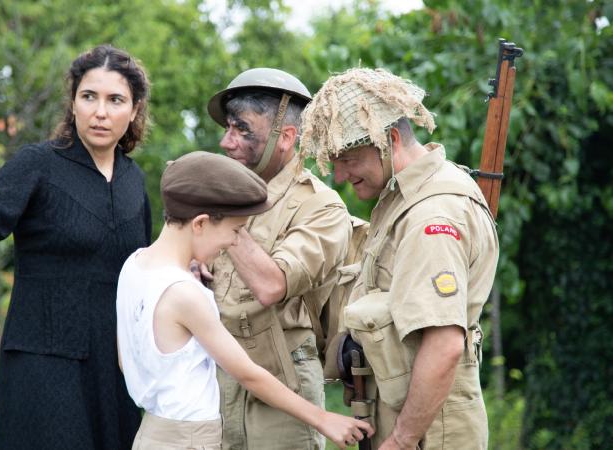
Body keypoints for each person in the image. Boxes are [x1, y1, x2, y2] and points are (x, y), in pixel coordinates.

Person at [0, 44, 151, 449]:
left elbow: (144, 269)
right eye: (89, 97)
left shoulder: (134, 181)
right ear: (73, 104)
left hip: (116, 371)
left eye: (115, 100)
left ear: (134, 110)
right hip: (44, 368)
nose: (100, 111)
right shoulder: (38, 164)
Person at [117, 151, 373, 450]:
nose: (231, 243)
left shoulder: (134, 266)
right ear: (200, 223)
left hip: (151, 431)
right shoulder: (185, 293)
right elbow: (247, 374)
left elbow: (126, 360)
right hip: (190, 439)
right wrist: (322, 418)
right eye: (235, 231)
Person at [299, 67, 500, 449]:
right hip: (408, 416)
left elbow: (444, 345)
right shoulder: (402, 201)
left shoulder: (431, 214)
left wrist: (403, 440)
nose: (339, 175)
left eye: (348, 158)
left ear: (390, 139)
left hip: (430, 432)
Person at [201, 68, 352, 449]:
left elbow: (271, 285)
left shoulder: (322, 206)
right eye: (227, 128)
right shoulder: (225, 196)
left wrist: (225, 219)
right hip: (217, 372)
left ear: (285, 137)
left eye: (241, 129)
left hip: (284, 374)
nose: (225, 142)